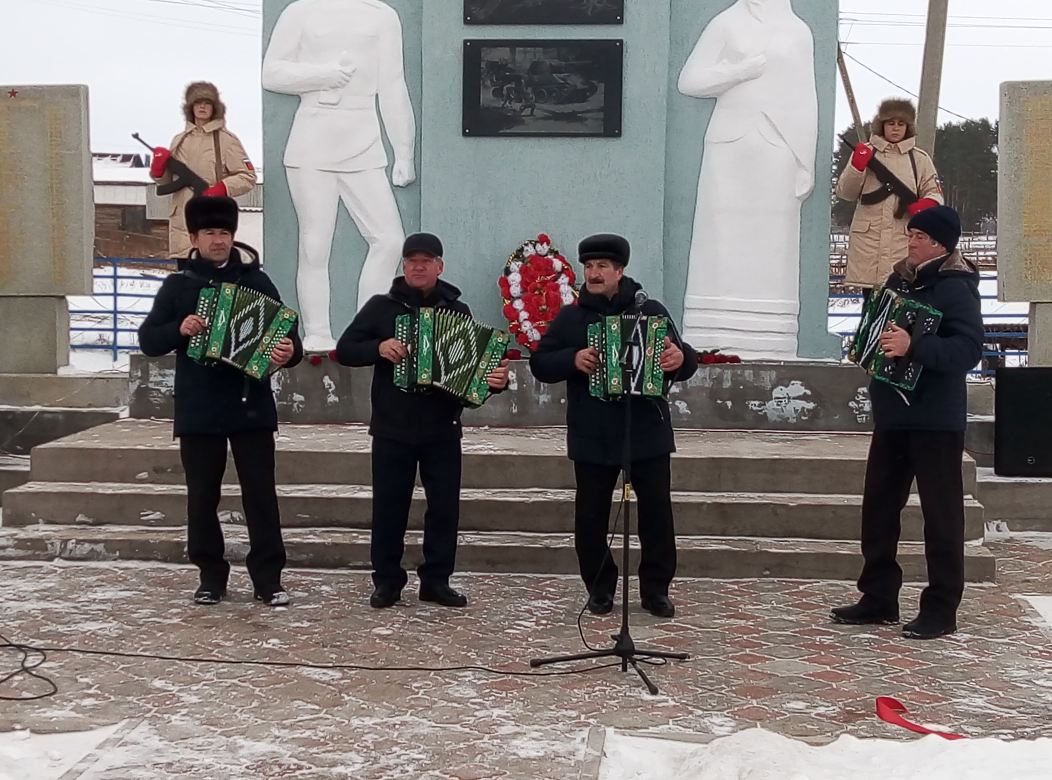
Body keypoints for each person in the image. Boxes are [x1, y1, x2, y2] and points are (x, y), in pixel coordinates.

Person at [138, 196, 303, 607]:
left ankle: (268, 579)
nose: (218, 240)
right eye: (210, 232)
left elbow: (288, 336)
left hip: (250, 406)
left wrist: (288, 351)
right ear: (194, 238)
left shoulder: (257, 282)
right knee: (202, 496)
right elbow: (149, 340)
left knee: (260, 496)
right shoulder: (178, 286)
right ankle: (211, 576)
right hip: (199, 408)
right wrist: (179, 328)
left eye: (225, 232)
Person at [335, 232, 510, 609]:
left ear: (439, 266)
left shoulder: (457, 310)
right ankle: (387, 582)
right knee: (389, 508)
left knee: (444, 508)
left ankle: (436, 580)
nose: (417, 267)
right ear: (403, 266)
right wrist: (378, 347)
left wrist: (497, 382)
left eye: (425, 261)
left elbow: (472, 370)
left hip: (441, 428)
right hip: (392, 427)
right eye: (411, 260)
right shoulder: (382, 307)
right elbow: (346, 349)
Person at [832, 205, 983, 640]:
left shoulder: (956, 288)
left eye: (919, 237)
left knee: (942, 516)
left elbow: (968, 351)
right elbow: (882, 329)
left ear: (939, 244)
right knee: (879, 509)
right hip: (893, 415)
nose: (910, 242)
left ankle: (941, 608)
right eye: (911, 234)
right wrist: (868, 344)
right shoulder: (898, 281)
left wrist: (914, 345)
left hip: (935, 420)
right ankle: (878, 597)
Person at [529, 234, 698, 619]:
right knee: (591, 516)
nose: (593, 273)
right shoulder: (572, 318)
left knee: (656, 514)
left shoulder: (649, 310)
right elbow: (541, 363)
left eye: (602, 266)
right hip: (593, 432)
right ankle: (600, 588)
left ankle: (656, 589)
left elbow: (684, 358)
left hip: (646, 429)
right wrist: (573, 359)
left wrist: (680, 358)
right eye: (589, 266)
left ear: (620, 271)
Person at [262, 0, 417, 352]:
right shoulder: (301, 11)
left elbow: (393, 85)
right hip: (313, 138)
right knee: (315, 244)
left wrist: (403, 151)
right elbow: (272, 73)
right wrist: (324, 75)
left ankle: (365, 328)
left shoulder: (382, 16)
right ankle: (317, 332)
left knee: (390, 239)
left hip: (363, 137)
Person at [677, 0, 818, 359]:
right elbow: (690, 80)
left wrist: (806, 162)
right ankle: (710, 332)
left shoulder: (798, 32)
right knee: (719, 237)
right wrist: (737, 71)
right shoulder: (727, 22)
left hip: (779, 148)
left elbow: (806, 97)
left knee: (773, 242)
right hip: (729, 146)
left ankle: (772, 337)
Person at [836, 98, 943, 295]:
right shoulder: (866, 153)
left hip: (901, 244)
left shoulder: (919, 159)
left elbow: (934, 191)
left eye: (901, 124)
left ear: (908, 127)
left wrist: (927, 205)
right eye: (890, 123)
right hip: (869, 244)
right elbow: (845, 193)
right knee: (870, 304)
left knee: (900, 301)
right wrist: (857, 167)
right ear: (881, 125)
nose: (895, 128)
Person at [149, 82, 258, 258]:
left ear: (215, 108)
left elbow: (248, 176)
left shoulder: (226, 140)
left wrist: (221, 188)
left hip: (211, 221)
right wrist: (158, 170)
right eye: (198, 103)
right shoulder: (179, 140)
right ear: (190, 108)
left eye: (207, 103)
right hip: (182, 227)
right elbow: (168, 182)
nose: (202, 107)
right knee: (185, 273)